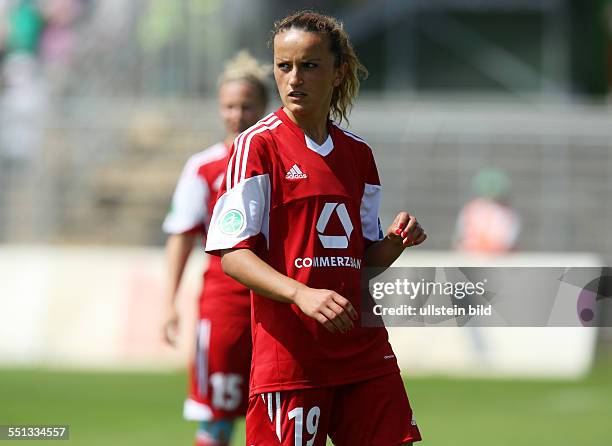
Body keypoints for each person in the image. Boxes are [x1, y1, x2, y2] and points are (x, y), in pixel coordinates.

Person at [205, 11, 426, 446]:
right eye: (283, 66)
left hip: (364, 351)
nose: (293, 79)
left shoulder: (359, 155)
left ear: (337, 71)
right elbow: (233, 255)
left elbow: (360, 260)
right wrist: (300, 294)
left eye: (308, 65)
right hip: (292, 360)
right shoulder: (258, 145)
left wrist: (396, 243)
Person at [162, 50, 269, 446]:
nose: (237, 115)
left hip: (279, 306)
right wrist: (169, 301)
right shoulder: (203, 167)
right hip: (225, 307)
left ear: (264, 108)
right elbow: (181, 236)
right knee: (218, 419)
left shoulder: (284, 161)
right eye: (229, 106)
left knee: (279, 418)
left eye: (247, 106)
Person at [454, 168, 521, 253]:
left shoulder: (509, 214)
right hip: (473, 260)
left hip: (498, 260)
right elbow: (460, 241)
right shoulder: (470, 210)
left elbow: (508, 245)